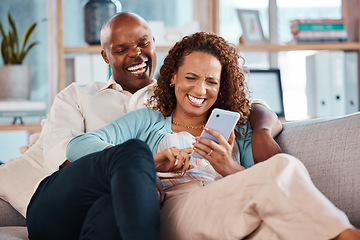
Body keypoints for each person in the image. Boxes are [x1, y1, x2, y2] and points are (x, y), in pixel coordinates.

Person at [64, 32, 360, 240]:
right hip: (174, 213)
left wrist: (228, 167)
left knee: (278, 231)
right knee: (284, 167)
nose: (200, 90)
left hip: (228, 210)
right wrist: (148, 163)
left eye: (211, 82)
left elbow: (258, 182)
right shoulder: (148, 121)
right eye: (191, 78)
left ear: (222, 87)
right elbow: (78, 147)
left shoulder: (237, 129)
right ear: (173, 77)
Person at [0, 11, 281, 219]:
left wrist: (262, 131)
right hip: (99, 197)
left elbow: (250, 105)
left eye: (143, 43)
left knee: (286, 173)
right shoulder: (79, 96)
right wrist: (141, 164)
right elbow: (65, 157)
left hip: (171, 200)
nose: (137, 55)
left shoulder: (180, 93)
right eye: (121, 49)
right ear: (105, 57)